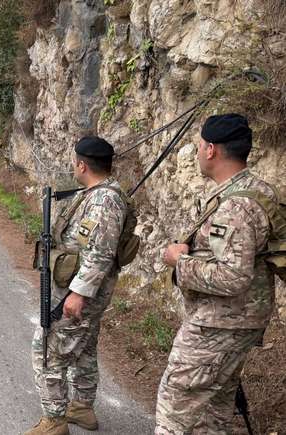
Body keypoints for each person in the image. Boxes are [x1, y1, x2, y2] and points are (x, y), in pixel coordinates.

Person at [156, 114, 279, 435]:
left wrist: (179, 261)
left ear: (211, 150)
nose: (197, 153)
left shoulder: (234, 206)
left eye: (199, 146)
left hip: (218, 323)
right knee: (213, 411)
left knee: (175, 406)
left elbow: (232, 277)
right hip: (240, 321)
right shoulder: (256, 190)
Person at [26, 136, 131, 435]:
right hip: (80, 290)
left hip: (80, 294)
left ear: (82, 165)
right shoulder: (95, 194)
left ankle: (55, 421)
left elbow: (100, 252)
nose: (73, 166)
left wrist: (78, 294)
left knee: (47, 351)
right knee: (83, 350)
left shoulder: (104, 201)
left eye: (74, 162)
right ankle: (82, 408)